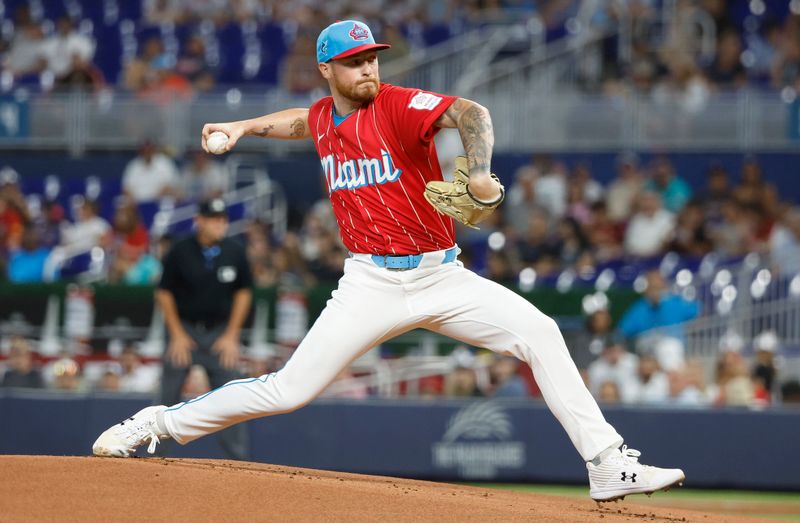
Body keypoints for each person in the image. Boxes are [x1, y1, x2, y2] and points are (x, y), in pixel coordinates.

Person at [93, 20, 684, 502]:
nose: (368, 68)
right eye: (354, 61)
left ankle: (606, 463)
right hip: (370, 283)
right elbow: (301, 121)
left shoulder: (399, 106)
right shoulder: (325, 117)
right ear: (328, 70)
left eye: (372, 57)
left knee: (542, 332)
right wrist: (244, 127)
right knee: (286, 391)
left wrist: (477, 170)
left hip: (440, 274)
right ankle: (158, 424)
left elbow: (471, 112)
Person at [149, 197, 252, 459]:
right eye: (214, 219)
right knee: (167, 395)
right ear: (199, 222)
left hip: (219, 333)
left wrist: (231, 335)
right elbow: (163, 293)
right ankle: (154, 458)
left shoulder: (234, 251)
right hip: (185, 330)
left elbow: (244, 293)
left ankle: (238, 462)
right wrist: (177, 334)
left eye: (223, 219)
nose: (220, 224)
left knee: (233, 396)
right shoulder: (180, 250)